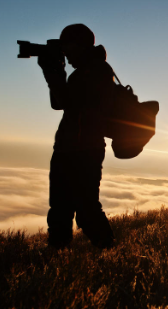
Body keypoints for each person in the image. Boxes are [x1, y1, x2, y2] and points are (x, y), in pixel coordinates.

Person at [37, 24, 115, 250]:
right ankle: (56, 256)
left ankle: (109, 251)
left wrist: (54, 73)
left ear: (80, 45)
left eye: (67, 48)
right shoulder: (82, 72)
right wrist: (55, 72)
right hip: (68, 149)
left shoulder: (97, 71)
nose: (65, 54)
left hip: (84, 150)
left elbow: (70, 105)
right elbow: (57, 104)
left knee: (86, 209)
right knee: (60, 209)